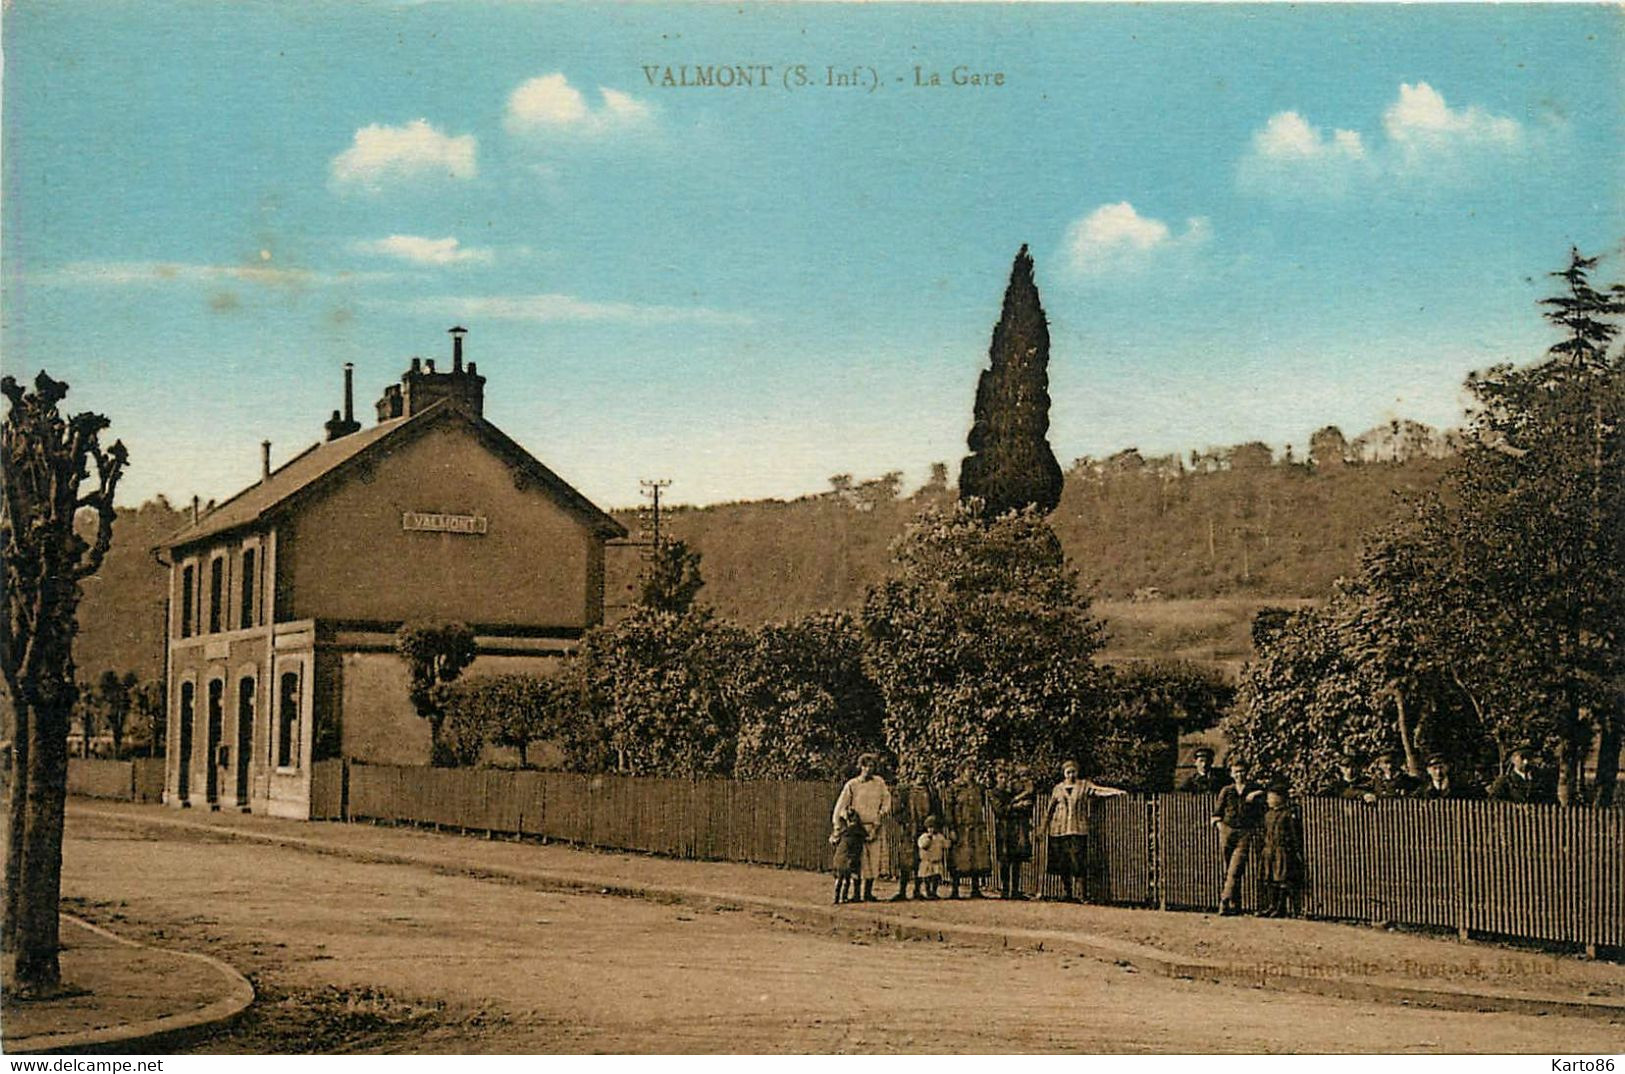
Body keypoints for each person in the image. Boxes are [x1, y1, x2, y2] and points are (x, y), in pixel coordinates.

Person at [1044, 759, 1128, 903]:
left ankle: (1081, 895)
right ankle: (1068, 893)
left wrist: (1116, 792)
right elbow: (1050, 809)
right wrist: (1043, 827)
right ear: (1064, 774)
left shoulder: (1083, 785)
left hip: (1078, 829)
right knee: (1063, 863)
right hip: (1059, 830)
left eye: (1073, 772)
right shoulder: (1058, 788)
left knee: (1078, 861)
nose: (1071, 775)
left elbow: (1099, 790)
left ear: (1077, 772)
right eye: (1068, 772)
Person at [1209, 758, 1267, 916]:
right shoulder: (1226, 791)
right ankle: (1236, 904)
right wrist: (1221, 827)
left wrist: (1257, 793)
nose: (1239, 775)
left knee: (1235, 868)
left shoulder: (1253, 788)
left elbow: (1271, 794)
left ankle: (1224, 901)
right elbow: (1216, 814)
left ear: (1247, 773)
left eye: (1242, 771)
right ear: (1231, 774)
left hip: (1244, 832)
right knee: (1230, 869)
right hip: (1227, 831)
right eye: (1236, 772)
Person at [832, 753, 892, 901]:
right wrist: (843, 820)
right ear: (861, 767)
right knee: (857, 860)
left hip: (874, 826)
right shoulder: (852, 785)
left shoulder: (879, 783)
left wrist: (881, 815)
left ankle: (868, 892)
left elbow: (886, 800)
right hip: (857, 830)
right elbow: (841, 806)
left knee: (873, 860)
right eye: (866, 766)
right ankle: (856, 893)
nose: (869, 769)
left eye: (872, 766)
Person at [885, 780, 938, 901]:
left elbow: (936, 810)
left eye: (925, 775)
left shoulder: (931, 791)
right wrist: (906, 822)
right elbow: (896, 810)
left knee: (922, 860)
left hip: (924, 831)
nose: (922, 777)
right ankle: (902, 891)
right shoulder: (906, 791)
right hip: (909, 832)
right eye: (920, 775)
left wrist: (931, 823)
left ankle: (918, 890)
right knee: (906, 861)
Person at [944, 765, 992, 899]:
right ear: (962, 771)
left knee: (976, 858)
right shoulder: (955, 788)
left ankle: (975, 889)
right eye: (969, 769)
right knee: (958, 858)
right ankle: (955, 890)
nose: (972, 771)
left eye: (973, 769)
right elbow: (949, 809)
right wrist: (951, 828)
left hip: (976, 828)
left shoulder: (978, 788)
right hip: (961, 828)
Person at [990, 765, 1036, 900]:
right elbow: (1000, 810)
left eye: (1006, 777)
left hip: (1015, 828)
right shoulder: (994, 793)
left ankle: (1015, 890)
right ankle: (1005, 890)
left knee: (1016, 859)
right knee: (1004, 860)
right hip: (1003, 829)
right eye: (1001, 777)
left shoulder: (1011, 792)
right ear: (996, 779)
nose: (1003, 780)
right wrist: (1016, 805)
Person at [1259, 783, 1302, 918]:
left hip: (1282, 850)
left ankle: (1280, 908)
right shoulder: (1268, 814)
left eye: (1271, 797)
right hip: (1269, 850)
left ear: (1280, 798)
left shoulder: (1288, 814)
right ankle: (1271, 906)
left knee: (1281, 879)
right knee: (1269, 878)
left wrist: (1296, 851)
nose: (1268, 800)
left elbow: (1295, 834)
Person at [1488, 744, 1554, 804]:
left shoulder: (1540, 779)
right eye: (1522, 758)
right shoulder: (1505, 781)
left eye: (1529, 758)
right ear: (1513, 760)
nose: (1526, 762)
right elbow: (1494, 800)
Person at [829, 807, 866, 904]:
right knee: (850, 878)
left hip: (840, 858)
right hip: (851, 857)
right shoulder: (859, 830)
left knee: (840, 879)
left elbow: (833, 840)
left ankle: (837, 898)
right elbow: (867, 837)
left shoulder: (844, 832)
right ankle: (847, 897)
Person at [1415, 753, 1481, 800]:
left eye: (1441, 767)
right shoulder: (1422, 792)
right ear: (1428, 770)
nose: (1438, 772)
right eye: (1434, 768)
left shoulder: (1461, 790)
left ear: (1448, 767)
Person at [915, 815, 951, 899]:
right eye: (929, 827)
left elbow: (945, 845)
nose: (931, 830)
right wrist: (928, 840)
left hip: (936, 860)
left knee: (936, 877)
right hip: (927, 861)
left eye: (933, 827)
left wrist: (948, 842)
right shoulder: (924, 837)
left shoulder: (939, 837)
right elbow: (922, 845)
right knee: (927, 878)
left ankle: (934, 891)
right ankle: (928, 891)